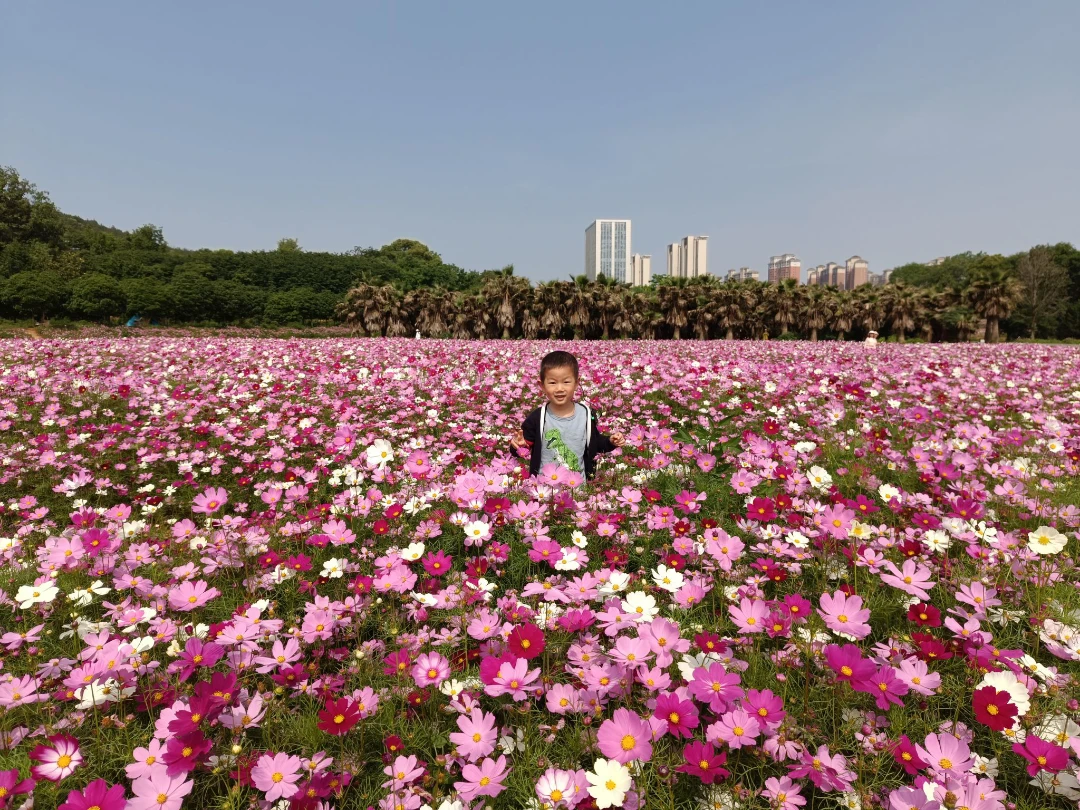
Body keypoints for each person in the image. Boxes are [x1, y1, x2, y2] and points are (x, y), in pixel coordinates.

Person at [510, 350, 624, 481]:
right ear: (542, 385)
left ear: (576, 383)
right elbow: (522, 448)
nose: (559, 388)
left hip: (577, 488)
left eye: (566, 382)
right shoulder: (538, 417)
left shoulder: (586, 414)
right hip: (544, 488)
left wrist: (610, 441)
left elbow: (595, 443)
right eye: (552, 383)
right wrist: (518, 446)